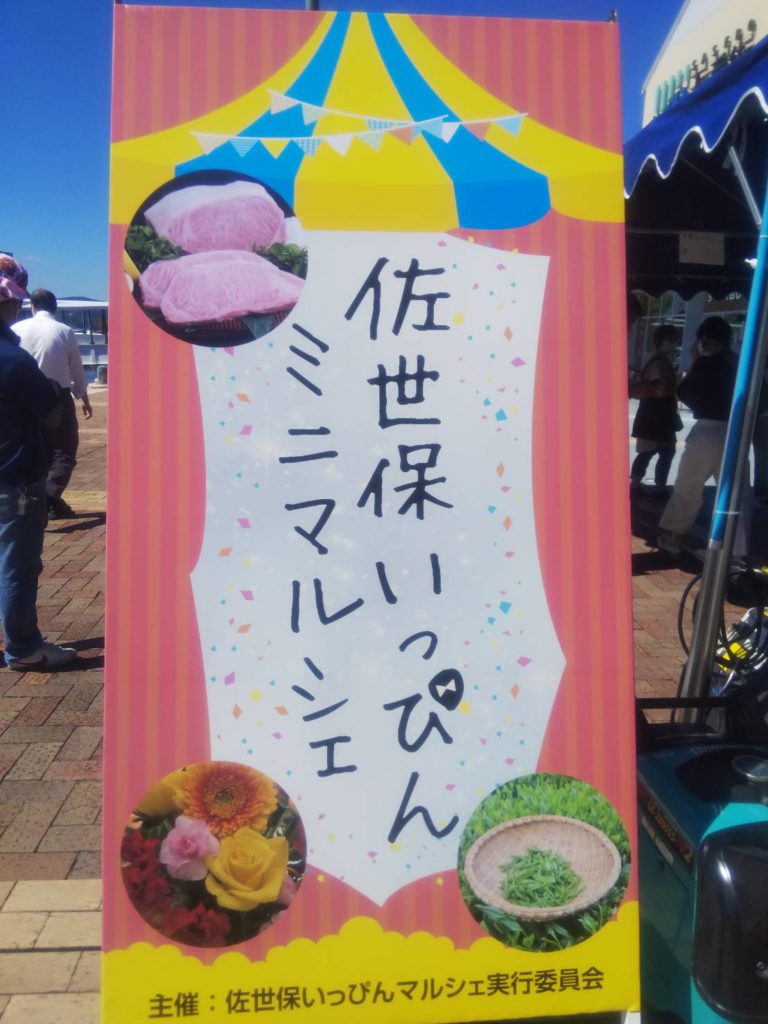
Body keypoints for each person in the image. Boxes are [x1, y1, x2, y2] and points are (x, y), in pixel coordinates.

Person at [0, 256, 77, 670]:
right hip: (14, 476)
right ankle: (24, 648)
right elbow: (50, 410)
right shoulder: (12, 359)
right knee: (17, 565)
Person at [657, 316, 746, 557]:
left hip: (707, 430)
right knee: (733, 493)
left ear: (705, 339)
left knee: (688, 486)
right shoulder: (742, 363)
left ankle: (675, 539)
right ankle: (730, 551)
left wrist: (695, 361)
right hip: (737, 431)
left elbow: (683, 392)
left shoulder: (705, 364)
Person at [13, 289, 92, 518]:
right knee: (64, 450)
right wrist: (82, 396)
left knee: (31, 449)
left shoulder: (16, 329)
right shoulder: (64, 331)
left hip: (22, 398)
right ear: (54, 307)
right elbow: (76, 368)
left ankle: (42, 500)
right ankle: (46, 499)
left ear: (32, 306)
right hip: (56, 396)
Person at [629, 324, 681, 495]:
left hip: (657, 415)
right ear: (660, 341)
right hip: (654, 415)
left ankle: (652, 486)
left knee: (664, 452)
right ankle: (638, 485)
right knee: (651, 452)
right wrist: (675, 389)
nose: (674, 343)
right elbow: (660, 389)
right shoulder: (658, 363)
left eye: (675, 339)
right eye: (670, 339)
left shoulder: (662, 362)